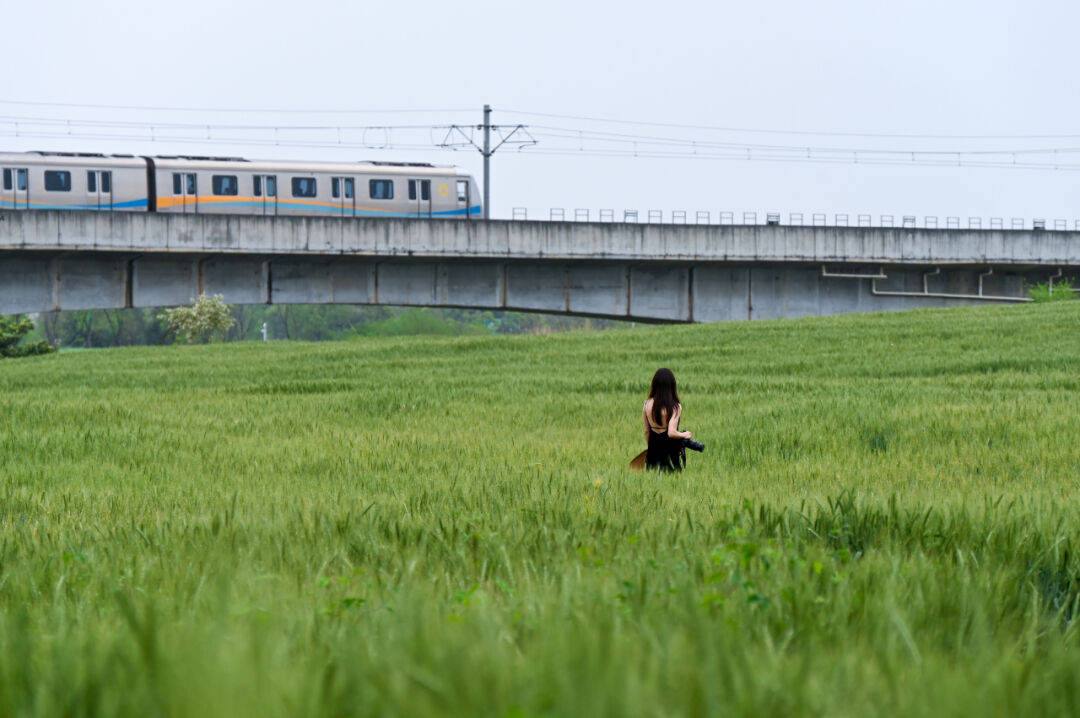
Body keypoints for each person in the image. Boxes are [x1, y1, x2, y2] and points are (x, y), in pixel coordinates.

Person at [642, 367, 693, 472]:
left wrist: (651, 449)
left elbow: (647, 431)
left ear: (654, 385)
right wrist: (685, 434)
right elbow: (671, 432)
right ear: (672, 386)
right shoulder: (675, 407)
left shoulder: (647, 404)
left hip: (653, 450)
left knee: (652, 480)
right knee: (674, 480)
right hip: (670, 453)